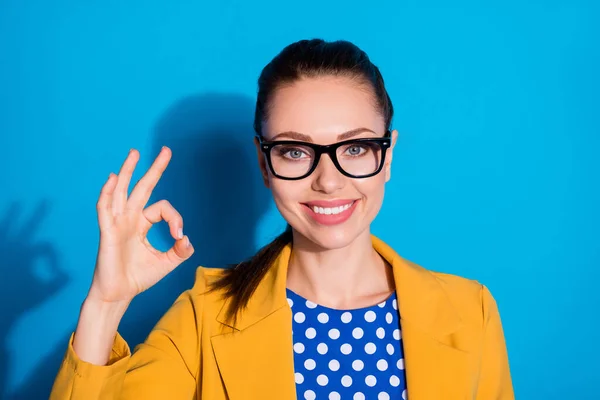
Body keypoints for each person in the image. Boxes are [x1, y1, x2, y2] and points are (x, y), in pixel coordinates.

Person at [49, 39, 514, 400]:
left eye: (355, 148)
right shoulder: (203, 315)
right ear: (263, 162)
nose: (328, 182)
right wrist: (106, 303)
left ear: (387, 155)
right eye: (295, 151)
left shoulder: (470, 311)